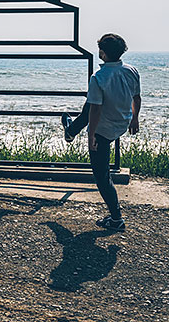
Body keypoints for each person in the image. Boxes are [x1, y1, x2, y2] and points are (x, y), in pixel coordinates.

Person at [61, 33, 141, 231]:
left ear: (103, 54)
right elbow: (136, 97)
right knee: (89, 105)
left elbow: (95, 111)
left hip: (103, 129)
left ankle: (116, 219)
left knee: (102, 176)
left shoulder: (98, 77)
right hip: (122, 122)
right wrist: (135, 118)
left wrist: (91, 136)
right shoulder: (131, 71)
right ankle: (71, 130)